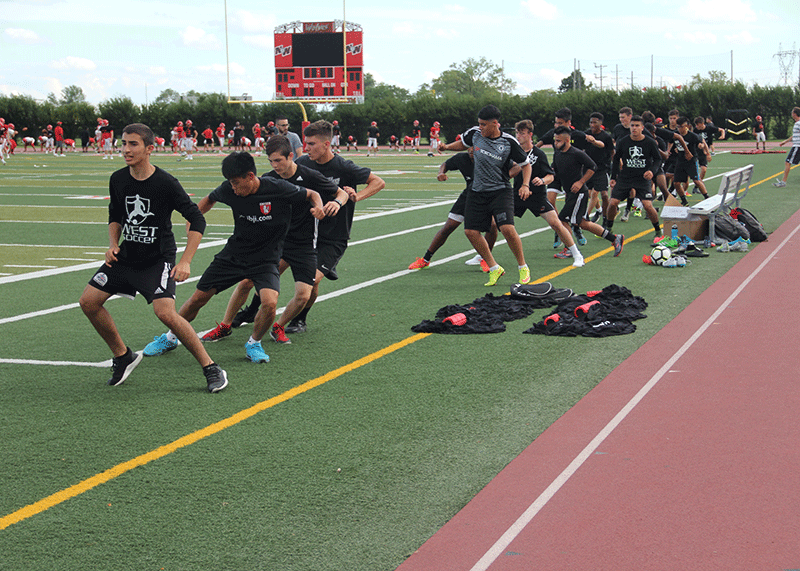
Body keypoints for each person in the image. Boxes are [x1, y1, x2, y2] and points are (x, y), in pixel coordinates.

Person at [78, 123, 228, 392]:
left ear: (150, 148)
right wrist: (113, 244)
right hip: (126, 256)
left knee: (165, 314)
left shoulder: (166, 183)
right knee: (88, 302)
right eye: (123, 143)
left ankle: (211, 368)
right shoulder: (118, 179)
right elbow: (115, 215)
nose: (126, 149)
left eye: (133, 144)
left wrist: (185, 260)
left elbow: (196, 220)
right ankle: (123, 356)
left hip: (158, 259)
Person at [143, 150, 324, 363]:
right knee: (198, 298)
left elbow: (312, 194)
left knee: (269, 302)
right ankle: (170, 337)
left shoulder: (277, 188)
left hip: (265, 259)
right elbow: (208, 200)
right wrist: (194, 218)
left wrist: (319, 208)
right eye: (230, 183)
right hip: (233, 255)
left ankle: (254, 343)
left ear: (250, 176)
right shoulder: (229, 189)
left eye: (237, 183)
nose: (234, 188)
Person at [204, 135, 346, 344]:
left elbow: (339, 193)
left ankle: (279, 326)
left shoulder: (309, 175)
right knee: (247, 281)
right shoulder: (267, 179)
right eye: (271, 161)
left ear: (290, 156)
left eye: (278, 160)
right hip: (274, 243)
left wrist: (336, 203)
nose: (274, 166)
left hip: (303, 243)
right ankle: (225, 325)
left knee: (304, 294)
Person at [283, 120, 385, 333]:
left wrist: (356, 197)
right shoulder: (303, 164)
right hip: (304, 232)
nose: (307, 148)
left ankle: (298, 319)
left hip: (333, 236)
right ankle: (252, 309)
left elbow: (378, 182)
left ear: (326, 144)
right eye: (305, 143)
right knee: (271, 269)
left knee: (311, 280)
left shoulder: (343, 166)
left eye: (311, 143)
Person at [438, 104, 532, 287]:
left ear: (495, 124)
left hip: (500, 190)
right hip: (477, 191)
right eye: (479, 124)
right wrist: (447, 146)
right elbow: (463, 143)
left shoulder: (509, 142)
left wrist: (526, 185)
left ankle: (523, 267)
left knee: (506, 228)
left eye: (483, 124)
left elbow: (525, 164)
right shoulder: (474, 133)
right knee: (470, 231)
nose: (480, 127)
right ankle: (494, 267)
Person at [407, 148, 498, 272]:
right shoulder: (461, 158)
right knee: (448, 227)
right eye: (469, 147)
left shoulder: (488, 158)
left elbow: (514, 167)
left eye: (474, 146)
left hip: (487, 196)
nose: (471, 150)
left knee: (492, 226)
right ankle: (425, 259)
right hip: (469, 195)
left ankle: (487, 260)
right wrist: (441, 173)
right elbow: (445, 164)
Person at [513, 120, 585, 267]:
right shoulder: (514, 153)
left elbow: (550, 175)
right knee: (495, 223)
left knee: (556, 223)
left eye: (522, 133)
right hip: (518, 195)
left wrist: (542, 180)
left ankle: (577, 255)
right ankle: (482, 256)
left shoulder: (538, 154)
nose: (518, 136)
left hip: (537, 196)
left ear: (530, 135)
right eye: (517, 133)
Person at [550, 126, 624, 257]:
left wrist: (580, 182)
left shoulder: (576, 153)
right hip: (570, 194)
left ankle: (569, 250)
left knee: (562, 219)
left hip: (579, 194)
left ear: (567, 140)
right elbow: (554, 170)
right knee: (583, 223)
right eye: (555, 141)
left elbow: (592, 167)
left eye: (558, 141)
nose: (555, 144)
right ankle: (615, 239)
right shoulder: (558, 154)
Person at [607, 115, 663, 240]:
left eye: (637, 126)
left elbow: (658, 159)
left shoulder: (649, 142)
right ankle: (608, 227)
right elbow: (616, 159)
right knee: (613, 203)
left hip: (642, 179)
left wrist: (652, 171)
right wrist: (613, 177)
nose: (634, 128)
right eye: (632, 125)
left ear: (642, 127)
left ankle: (658, 230)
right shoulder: (623, 141)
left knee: (648, 205)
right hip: (625, 177)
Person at [583, 112, 614, 226]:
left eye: (595, 122)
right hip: (588, 168)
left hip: (602, 169)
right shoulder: (585, 134)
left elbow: (611, 152)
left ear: (600, 123)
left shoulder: (605, 137)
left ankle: (601, 217)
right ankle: (596, 212)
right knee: (589, 193)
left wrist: (615, 168)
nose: (592, 125)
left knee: (603, 195)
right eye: (591, 122)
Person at [673, 116, 709, 199]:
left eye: (681, 127)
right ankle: (683, 200)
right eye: (678, 127)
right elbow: (671, 142)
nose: (679, 129)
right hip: (680, 161)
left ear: (687, 126)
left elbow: (701, 142)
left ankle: (706, 196)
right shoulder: (675, 134)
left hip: (691, 161)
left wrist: (702, 146)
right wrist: (671, 149)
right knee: (676, 183)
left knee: (696, 180)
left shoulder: (692, 136)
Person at [773, 106, 800, 187]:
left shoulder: (799, 123)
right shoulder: (797, 123)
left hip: (797, 146)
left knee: (787, 162)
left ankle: (783, 182)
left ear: (794, 114)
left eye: (792, 112)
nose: (791, 114)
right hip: (797, 145)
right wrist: (785, 141)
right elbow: (794, 136)